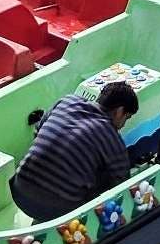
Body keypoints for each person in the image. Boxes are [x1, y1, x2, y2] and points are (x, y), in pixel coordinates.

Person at [10, 81, 138, 222]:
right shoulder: (110, 136)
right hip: (56, 209)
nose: (124, 124)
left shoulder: (66, 101)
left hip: (19, 190)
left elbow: (38, 131)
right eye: (127, 118)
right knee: (105, 177)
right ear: (119, 111)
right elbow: (123, 185)